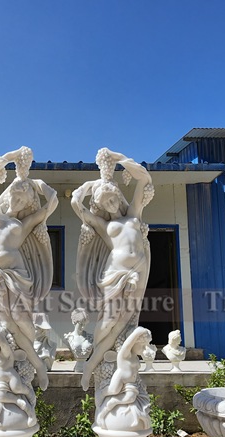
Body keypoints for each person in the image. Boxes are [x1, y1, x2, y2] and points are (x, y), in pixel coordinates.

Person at [72, 148, 154, 390]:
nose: (110, 204)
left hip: (137, 270)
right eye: (104, 203)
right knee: (108, 319)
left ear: (118, 195)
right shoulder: (103, 225)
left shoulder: (133, 215)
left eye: (111, 198)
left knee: (128, 318)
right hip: (114, 273)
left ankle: (107, 359)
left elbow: (144, 179)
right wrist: (90, 186)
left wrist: (119, 159)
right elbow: (78, 205)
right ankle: (95, 360)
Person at [0, 146, 58, 390]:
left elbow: (50, 203)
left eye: (23, 198)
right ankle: (8, 367)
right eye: (16, 195)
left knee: (22, 319)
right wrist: (9, 159)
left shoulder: (23, 224)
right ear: (10, 194)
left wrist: (39, 184)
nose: (18, 200)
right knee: (2, 321)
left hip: (18, 275)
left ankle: (33, 363)